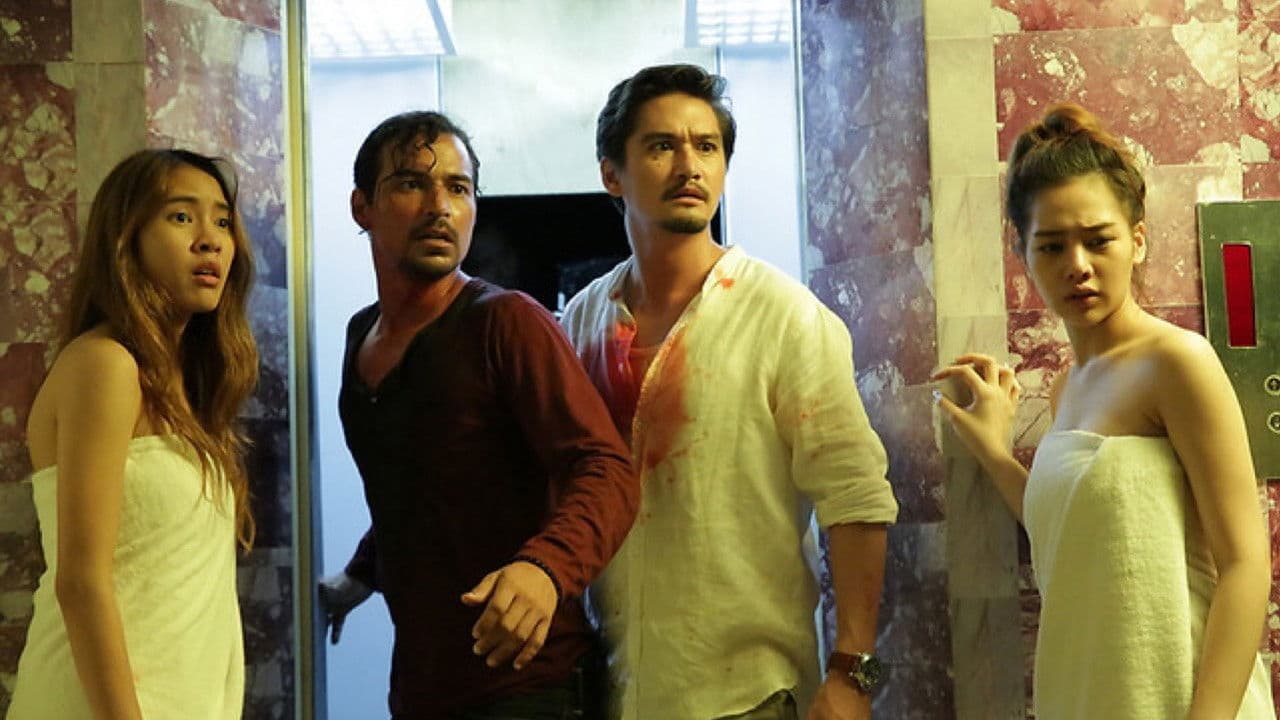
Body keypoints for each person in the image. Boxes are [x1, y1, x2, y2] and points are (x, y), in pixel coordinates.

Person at [560, 64, 899, 720]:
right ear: (612, 174)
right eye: (662, 146)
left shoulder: (783, 314)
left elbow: (856, 499)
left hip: (749, 694)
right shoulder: (584, 320)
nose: (689, 165)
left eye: (707, 146)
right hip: (617, 688)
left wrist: (853, 675)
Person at [933, 104, 1275, 719]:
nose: (1078, 266)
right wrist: (994, 450)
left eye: (1098, 240)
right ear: (1023, 254)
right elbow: (1070, 532)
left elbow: (1245, 566)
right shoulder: (1068, 387)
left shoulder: (1177, 363)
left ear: (1137, 241)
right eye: (1051, 246)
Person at [315, 111, 639, 719]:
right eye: (411, 183)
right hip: (423, 689)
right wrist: (360, 574)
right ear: (363, 206)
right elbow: (424, 481)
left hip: (530, 687)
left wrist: (546, 568)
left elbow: (606, 470)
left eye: (458, 188)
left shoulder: (506, 322)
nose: (439, 206)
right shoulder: (362, 335)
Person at [8, 149, 258, 719]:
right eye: (181, 217)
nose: (210, 240)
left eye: (222, 221)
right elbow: (81, 582)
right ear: (127, 238)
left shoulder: (186, 392)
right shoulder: (105, 364)